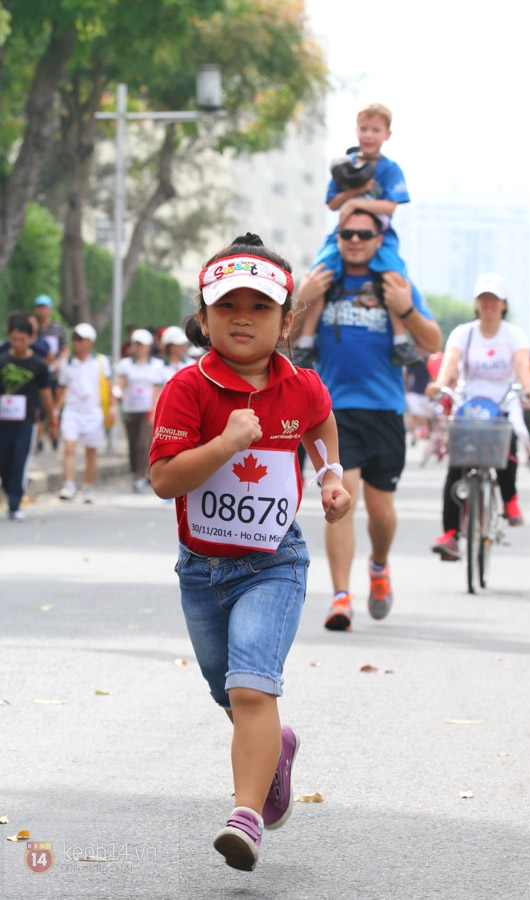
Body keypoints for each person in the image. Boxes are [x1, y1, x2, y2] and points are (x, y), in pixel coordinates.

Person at [149, 233, 351, 872]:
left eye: (260, 306)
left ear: (286, 321)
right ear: (203, 317)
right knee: (229, 692)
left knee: (251, 689)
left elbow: (319, 426)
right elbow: (165, 479)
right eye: (227, 304)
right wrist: (225, 445)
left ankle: (244, 817)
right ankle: (277, 748)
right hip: (201, 570)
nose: (243, 316)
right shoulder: (188, 388)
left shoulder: (301, 386)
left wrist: (332, 476)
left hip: (273, 563)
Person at [296, 209, 442, 630]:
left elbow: (432, 342)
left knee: (381, 511)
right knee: (342, 499)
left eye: (364, 233)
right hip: (333, 411)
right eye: (347, 232)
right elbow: (286, 338)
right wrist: (304, 297)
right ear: (337, 236)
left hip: (385, 410)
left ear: (381, 239)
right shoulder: (323, 280)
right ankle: (341, 596)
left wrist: (405, 308)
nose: (355, 239)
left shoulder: (395, 283)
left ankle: (379, 565)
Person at [294, 102, 424, 370]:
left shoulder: (390, 169)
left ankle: (401, 341)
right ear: (356, 131)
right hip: (341, 236)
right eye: (364, 129)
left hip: (382, 236)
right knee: (318, 277)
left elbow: (390, 206)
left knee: (394, 280)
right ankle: (306, 343)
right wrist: (356, 193)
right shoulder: (344, 166)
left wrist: (355, 205)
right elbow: (332, 203)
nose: (368, 135)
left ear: (387, 134)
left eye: (375, 130)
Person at [426, 274, 530, 561]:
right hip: (470, 403)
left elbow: (522, 365)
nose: (488, 304)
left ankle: (509, 498)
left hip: (503, 401)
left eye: (494, 299)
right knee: (458, 464)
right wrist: (441, 383)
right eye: (483, 298)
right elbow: (450, 362)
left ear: (503, 304)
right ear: (477, 303)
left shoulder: (514, 335)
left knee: (508, 437)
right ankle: (451, 534)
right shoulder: (464, 333)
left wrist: (528, 388)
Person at [0, 315, 57, 519]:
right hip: (2, 423)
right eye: (14, 339)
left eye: (22, 339)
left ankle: (15, 504)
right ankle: (9, 490)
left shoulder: (38, 365)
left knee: (19, 462)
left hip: (26, 423)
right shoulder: (2, 360)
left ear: (30, 339)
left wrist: (52, 419)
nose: (18, 344)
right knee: (4, 462)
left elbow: (45, 394)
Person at [55, 323, 115, 503]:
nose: (76, 343)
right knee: (69, 448)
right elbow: (62, 388)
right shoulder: (67, 364)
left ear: (90, 342)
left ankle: (88, 487)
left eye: (80, 339)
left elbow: (108, 386)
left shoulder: (101, 361)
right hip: (72, 411)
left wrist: (111, 408)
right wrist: (56, 411)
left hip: (93, 412)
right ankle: (69, 484)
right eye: (74, 339)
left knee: (91, 451)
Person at [115, 328, 164, 493]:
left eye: (142, 344)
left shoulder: (156, 366)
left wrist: (154, 408)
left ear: (149, 346)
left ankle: (142, 476)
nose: (139, 347)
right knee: (133, 443)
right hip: (130, 409)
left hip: (147, 409)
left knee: (144, 443)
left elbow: (157, 389)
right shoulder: (125, 364)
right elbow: (120, 384)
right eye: (136, 344)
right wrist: (117, 393)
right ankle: (135, 474)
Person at [33, 294, 69, 451]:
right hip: (38, 373)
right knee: (38, 408)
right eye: (39, 307)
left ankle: (54, 435)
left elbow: (65, 349)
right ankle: (39, 440)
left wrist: (59, 362)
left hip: (55, 374)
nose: (42, 310)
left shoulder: (58, 329)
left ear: (50, 309)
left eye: (45, 307)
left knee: (54, 406)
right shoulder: (33, 329)